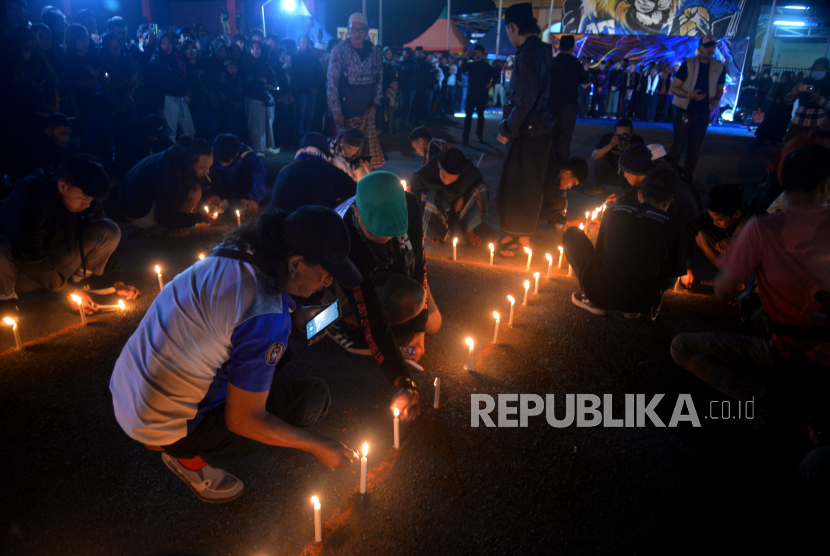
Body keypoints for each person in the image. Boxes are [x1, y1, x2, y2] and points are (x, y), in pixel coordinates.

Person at [109, 207, 364, 503]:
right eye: (324, 274)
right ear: (295, 263)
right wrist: (319, 446)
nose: (327, 284)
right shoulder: (267, 314)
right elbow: (243, 421)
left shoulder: (236, 250)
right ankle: (188, 459)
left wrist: (288, 322)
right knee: (313, 399)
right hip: (164, 426)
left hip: (127, 391)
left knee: (277, 353)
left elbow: (235, 315)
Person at [671, 145, 830, 424]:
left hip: (787, 352)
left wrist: (742, 283)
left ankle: (764, 400)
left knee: (682, 346)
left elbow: (724, 290)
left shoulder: (762, 228)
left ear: (781, 179)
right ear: (825, 184)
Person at [327, 172, 442, 382]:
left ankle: (390, 315)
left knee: (432, 324)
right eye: (375, 233)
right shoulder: (343, 232)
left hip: (391, 265)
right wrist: (399, 376)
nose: (384, 238)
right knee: (383, 315)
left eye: (391, 232)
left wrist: (419, 331)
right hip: (349, 280)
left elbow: (419, 264)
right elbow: (366, 302)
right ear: (356, 212)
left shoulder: (410, 204)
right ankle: (342, 321)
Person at [0, 154, 140, 321]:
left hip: (57, 266)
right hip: (21, 274)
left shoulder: (88, 200)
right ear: (63, 186)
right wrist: (69, 292)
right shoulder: (33, 196)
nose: (87, 205)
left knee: (109, 229)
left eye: (91, 200)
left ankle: (79, 281)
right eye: (83, 199)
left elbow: (105, 237)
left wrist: (118, 282)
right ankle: (6, 300)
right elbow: (28, 253)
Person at [565, 169, 685, 319]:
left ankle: (595, 302)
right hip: (644, 302)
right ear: (668, 201)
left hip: (601, 293)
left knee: (571, 235)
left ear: (640, 194)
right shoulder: (675, 226)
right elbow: (671, 279)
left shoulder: (612, 211)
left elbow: (601, 254)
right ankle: (631, 309)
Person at [495, 3, 553, 258]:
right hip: (541, 129)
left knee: (516, 184)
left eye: (508, 31)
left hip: (528, 131)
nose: (509, 36)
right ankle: (523, 234)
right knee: (529, 183)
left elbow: (524, 99)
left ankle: (513, 236)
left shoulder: (527, 54)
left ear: (513, 27)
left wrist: (506, 129)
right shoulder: (543, 50)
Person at [118, 137, 217, 236]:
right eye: (203, 167)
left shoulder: (177, 158)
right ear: (189, 163)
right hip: (137, 212)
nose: (207, 171)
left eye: (209, 166)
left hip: (132, 200)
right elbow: (164, 217)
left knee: (195, 191)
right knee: (195, 193)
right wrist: (198, 218)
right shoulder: (173, 175)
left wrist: (208, 196)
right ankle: (163, 228)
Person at [326, 13, 385, 169]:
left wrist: (375, 105)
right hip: (346, 113)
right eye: (354, 29)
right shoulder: (339, 51)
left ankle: (365, 186)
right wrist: (336, 110)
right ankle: (346, 189)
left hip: (367, 112)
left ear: (366, 31)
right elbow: (332, 82)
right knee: (346, 155)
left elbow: (379, 79)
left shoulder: (374, 52)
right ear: (348, 30)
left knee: (366, 156)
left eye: (361, 30)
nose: (357, 33)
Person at [668, 35, 725, 180]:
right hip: (684, 110)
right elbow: (674, 88)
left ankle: (687, 179)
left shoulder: (719, 67)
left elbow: (720, 88)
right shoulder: (688, 64)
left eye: (713, 46)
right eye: (707, 46)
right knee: (678, 145)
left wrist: (717, 98)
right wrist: (689, 95)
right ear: (699, 48)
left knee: (694, 148)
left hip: (703, 112)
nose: (710, 49)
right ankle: (668, 177)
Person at [682, 183, 757, 289]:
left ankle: (739, 283)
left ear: (736, 216)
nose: (714, 223)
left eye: (718, 221)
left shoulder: (755, 222)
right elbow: (691, 228)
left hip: (754, 269)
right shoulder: (717, 216)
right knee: (701, 235)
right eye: (712, 219)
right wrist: (687, 268)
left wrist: (737, 240)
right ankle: (729, 277)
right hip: (734, 261)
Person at [410, 148, 489, 246]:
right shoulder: (427, 171)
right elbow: (414, 192)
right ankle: (435, 232)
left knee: (482, 188)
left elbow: (476, 180)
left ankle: (469, 229)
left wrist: (462, 196)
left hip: (458, 203)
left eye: (452, 180)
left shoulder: (468, 171)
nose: (446, 182)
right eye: (443, 177)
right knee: (429, 192)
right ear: (439, 165)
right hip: (439, 204)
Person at [270, 132, 356, 212]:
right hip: (317, 226)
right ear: (327, 155)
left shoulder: (284, 171)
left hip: (279, 225)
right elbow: (357, 193)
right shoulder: (334, 173)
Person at [147, 32, 195, 143]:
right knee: (170, 131)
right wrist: (182, 90)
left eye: (169, 43)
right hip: (167, 99)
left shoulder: (176, 58)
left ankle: (191, 155)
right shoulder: (156, 60)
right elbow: (162, 83)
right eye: (163, 43)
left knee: (189, 129)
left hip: (181, 97)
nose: (167, 46)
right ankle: (172, 155)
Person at [549, 34, 589, 165]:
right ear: (573, 47)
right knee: (565, 135)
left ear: (559, 46)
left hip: (551, 103)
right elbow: (584, 79)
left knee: (551, 133)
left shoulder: (552, 61)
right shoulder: (574, 63)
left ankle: (548, 162)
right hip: (568, 104)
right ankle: (561, 164)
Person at [206, 134, 266, 215]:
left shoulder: (245, 152)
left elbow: (259, 173)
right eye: (220, 161)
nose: (223, 165)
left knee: (248, 168)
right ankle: (220, 200)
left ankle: (244, 200)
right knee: (209, 168)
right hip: (222, 185)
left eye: (227, 161)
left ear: (237, 153)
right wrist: (207, 195)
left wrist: (254, 199)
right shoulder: (211, 153)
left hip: (241, 185)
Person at [240, 39, 279, 156]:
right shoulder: (246, 63)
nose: (256, 51)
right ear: (250, 49)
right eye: (253, 48)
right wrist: (262, 83)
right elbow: (248, 81)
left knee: (267, 123)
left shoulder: (264, 63)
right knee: (255, 124)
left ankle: (267, 146)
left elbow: (272, 77)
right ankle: (256, 148)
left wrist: (265, 83)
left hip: (265, 97)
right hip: (253, 97)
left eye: (258, 48)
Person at [782, 58, 830, 144]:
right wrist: (791, 94)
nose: (818, 71)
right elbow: (787, 102)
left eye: (822, 68)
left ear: (827, 70)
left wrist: (818, 99)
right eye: (816, 68)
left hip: (817, 123)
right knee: (789, 147)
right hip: (798, 121)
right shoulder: (804, 82)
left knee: (810, 152)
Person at [591, 118, 645, 191]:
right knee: (599, 162)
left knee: (637, 167)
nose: (621, 138)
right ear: (614, 132)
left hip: (626, 172)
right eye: (618, 135)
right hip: (610, 170)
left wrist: (629, 150)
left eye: (625, 135)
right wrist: (611, 145)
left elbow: (644, 161)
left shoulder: (637, 140)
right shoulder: (608, 138)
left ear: (631, 133)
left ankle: (628, 192)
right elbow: (594, 156)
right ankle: (598, 188)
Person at [540, 155, 590, 230]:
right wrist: (567, 221)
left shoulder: (557, 172)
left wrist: (557, 221)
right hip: (522, 204)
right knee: (560, 202)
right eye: (573, 183)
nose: (570, 187)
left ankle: (554, 223)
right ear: (566, 174)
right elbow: (540, 208)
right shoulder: (550, 179)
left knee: (561, 200)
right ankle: (522, 233)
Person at [459, 44, 494, 145]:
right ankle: (465, 137)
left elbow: (495, 75)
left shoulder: (486, 66)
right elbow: (462, 69)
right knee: (468, 116)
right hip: (471, 94)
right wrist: (465, 58)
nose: (477, 54)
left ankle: (480, 135)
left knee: (481, 117)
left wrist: (491, 83)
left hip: (482, 94)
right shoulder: (471, 65)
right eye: (476, 52)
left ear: (483, 54)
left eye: (479, 52)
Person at [292, 33, 324, 138]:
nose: (305, 45)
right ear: (299, 43)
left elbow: (319, 75)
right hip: (301, 92)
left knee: (310, 116)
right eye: (303, 42)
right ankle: (300, 138)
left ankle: (307, 137)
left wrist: (315, 88)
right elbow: (296, 77)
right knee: (301, 116)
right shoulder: (295, 59)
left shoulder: (313, 59)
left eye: (307, 42)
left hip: (312, 92)